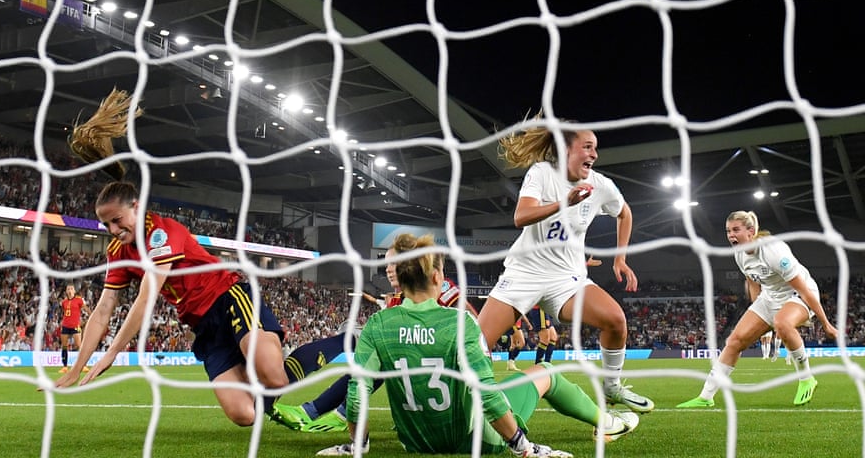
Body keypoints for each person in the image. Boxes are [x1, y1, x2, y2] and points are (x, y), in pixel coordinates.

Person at [52, 180, 349, 426]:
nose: (113, 230)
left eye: (117, 220)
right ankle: (263, 389)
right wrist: (79, 365)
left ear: (136, 207)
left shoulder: (161, 232)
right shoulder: (118, 251)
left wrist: (112, 352)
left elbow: (146, 297)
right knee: (245, 415)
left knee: (275, 377)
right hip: (204, 327)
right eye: (106, 224)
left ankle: (346, 340)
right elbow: (104, 308)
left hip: (229, 299)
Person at [316, 233, 638, 456]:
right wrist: (526, 449)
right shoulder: (460, 324)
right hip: (475, 440)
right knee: (546, 371)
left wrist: (357, 446)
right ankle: (607, 422)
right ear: (436, 279)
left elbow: (357, 393)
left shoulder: (378, 324)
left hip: (415, 444)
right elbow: (487, 394)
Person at [476, 116, 654, 413]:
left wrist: (620, 257)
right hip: (525, 274)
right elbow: (521, 216)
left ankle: (611, 389)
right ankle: (472, 404)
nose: (594, 154)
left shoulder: (600, 185)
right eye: (587, 147)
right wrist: (564, 203)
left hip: (567, 280)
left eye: (595, 148)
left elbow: (625, 213)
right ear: (565, 149)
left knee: (616, 320)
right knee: (477, 343)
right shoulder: (543, 173)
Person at [272, 242, 481, 433]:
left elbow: (470, 318)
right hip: (415, 364)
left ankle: (327, 411)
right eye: (386, 263)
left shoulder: (437, 286)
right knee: (362, 347)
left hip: (444, 365)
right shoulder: (397, 300)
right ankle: (311, 405)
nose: (388, 268)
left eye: (394, 262)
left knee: (376, 354)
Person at [676, 210, 838, 408]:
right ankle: (706, 397)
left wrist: (826, 324)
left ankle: (806, 379)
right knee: (734, 341)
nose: (731, 235)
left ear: (751, 231)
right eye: (728, 231)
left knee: (782, 323)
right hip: (768, 297)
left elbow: (804, 290)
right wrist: (759, 316)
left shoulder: (774, 252)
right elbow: (752, 282)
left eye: (736, 230)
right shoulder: (739, 254)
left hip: (797, 295)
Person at [58, 283, 91, 373]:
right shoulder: (64, 302)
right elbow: (64, 313)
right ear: (66, 291)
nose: (69, 290)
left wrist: (91, 316)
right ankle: (65, 367)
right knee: (64, 346)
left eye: (71, 289)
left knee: (79, 345)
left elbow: (86, 309)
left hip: (75, 325)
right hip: (65, 325)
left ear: (74, 291)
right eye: (68, 289)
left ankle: (83, 365)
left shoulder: (79, 300)